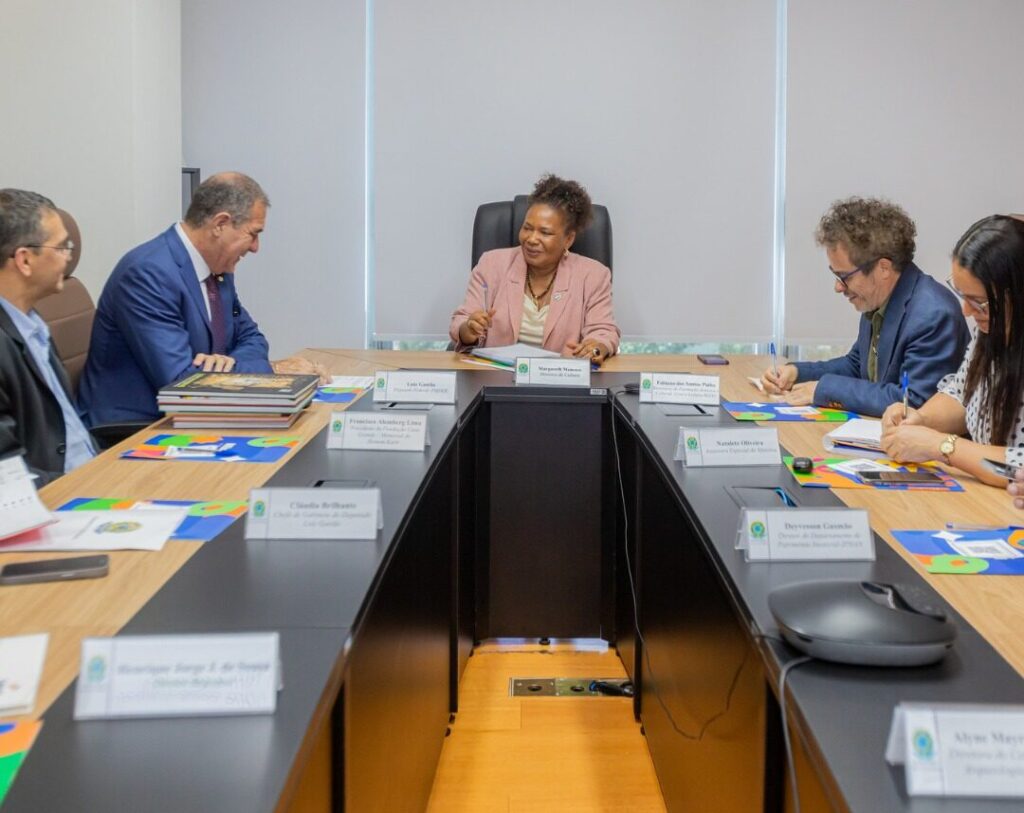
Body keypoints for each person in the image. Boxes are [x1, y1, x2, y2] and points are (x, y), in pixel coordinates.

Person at [78, 172, 325, 425]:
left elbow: (252, 338)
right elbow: (180, 381)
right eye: (253, 233)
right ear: (220, 224)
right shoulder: (148, 274)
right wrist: (271, 372)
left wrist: (229, 363)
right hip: (136, 428)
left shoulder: (217, 270)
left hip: (199, 415)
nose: (255, 247)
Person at [761, 197, 968, 416]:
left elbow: (911, 401)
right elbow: (856, 367)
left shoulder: (933, 314)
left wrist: (822, 389)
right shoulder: (878, 299)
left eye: (844, 276)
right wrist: (797, 372)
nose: (838, 287)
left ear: (883, 268)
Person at [882, 215, 1024, 487]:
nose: (966, 311)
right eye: (962, 295)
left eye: (979, 302)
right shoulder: (989, 331)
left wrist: (943, 446)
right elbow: (962, 394)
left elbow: (1018, 467)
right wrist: (921, 419)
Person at [449, 174, 620, 362]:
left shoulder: (593, 275)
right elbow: (462, 321)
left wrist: (595, 347)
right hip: (496, 378)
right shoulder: (492, 264)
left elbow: (604, 332)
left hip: (560, 383)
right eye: (527, 228)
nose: (531, 239)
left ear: (568, 239)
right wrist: (468, 330)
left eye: (545, 232)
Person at [0, 189, 95, 483]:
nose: (69, 257)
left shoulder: (32, 322)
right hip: (55, 498)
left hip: (89, 473)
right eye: (62, 247)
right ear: (25, 260)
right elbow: (8, 476)